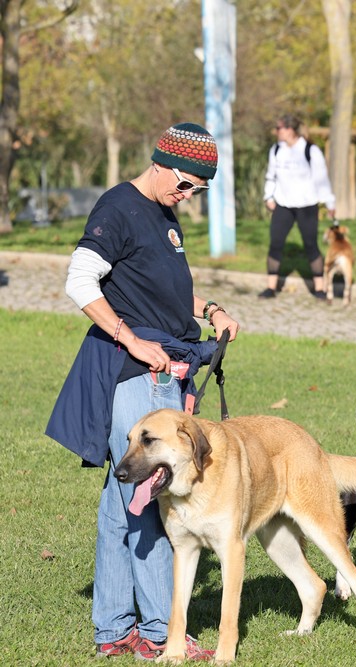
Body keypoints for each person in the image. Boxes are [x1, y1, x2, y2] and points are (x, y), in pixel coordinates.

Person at [45, 123, 240, 660]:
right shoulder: (118, 208)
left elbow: (160, 288)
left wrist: (210, 309)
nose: (189, 195)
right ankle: (160, 632)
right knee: (152, 498)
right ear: (160, 164)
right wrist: (130, 338)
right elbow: (79, 280)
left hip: (161, 367)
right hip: (138, 373)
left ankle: (113, 629)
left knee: (122, 502)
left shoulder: (162, 211)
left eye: (198, 189)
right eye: (186, 184)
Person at [259, 114, 336, 299]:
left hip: (306, 205)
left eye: (279, 128)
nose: (276, 132)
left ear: (290, 130)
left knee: (310, 245)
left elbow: (321, 179)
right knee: (276, 243)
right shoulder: (276, 150)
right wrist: (268, 196)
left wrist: (330, 202)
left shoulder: (310, 150)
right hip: (283, 205)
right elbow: (271, 176)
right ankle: (271, 287)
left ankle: (319, 289)